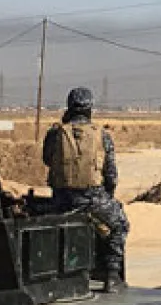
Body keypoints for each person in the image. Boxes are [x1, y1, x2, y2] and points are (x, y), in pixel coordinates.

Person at [43, 87, 128, 292]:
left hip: (61, 200)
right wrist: (107, 197)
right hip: (92, 198)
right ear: (90, 108)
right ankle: (112, 276)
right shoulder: (101, 135)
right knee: (120, 225)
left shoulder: (55, 133)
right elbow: (111, 175)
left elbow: (47, 160)